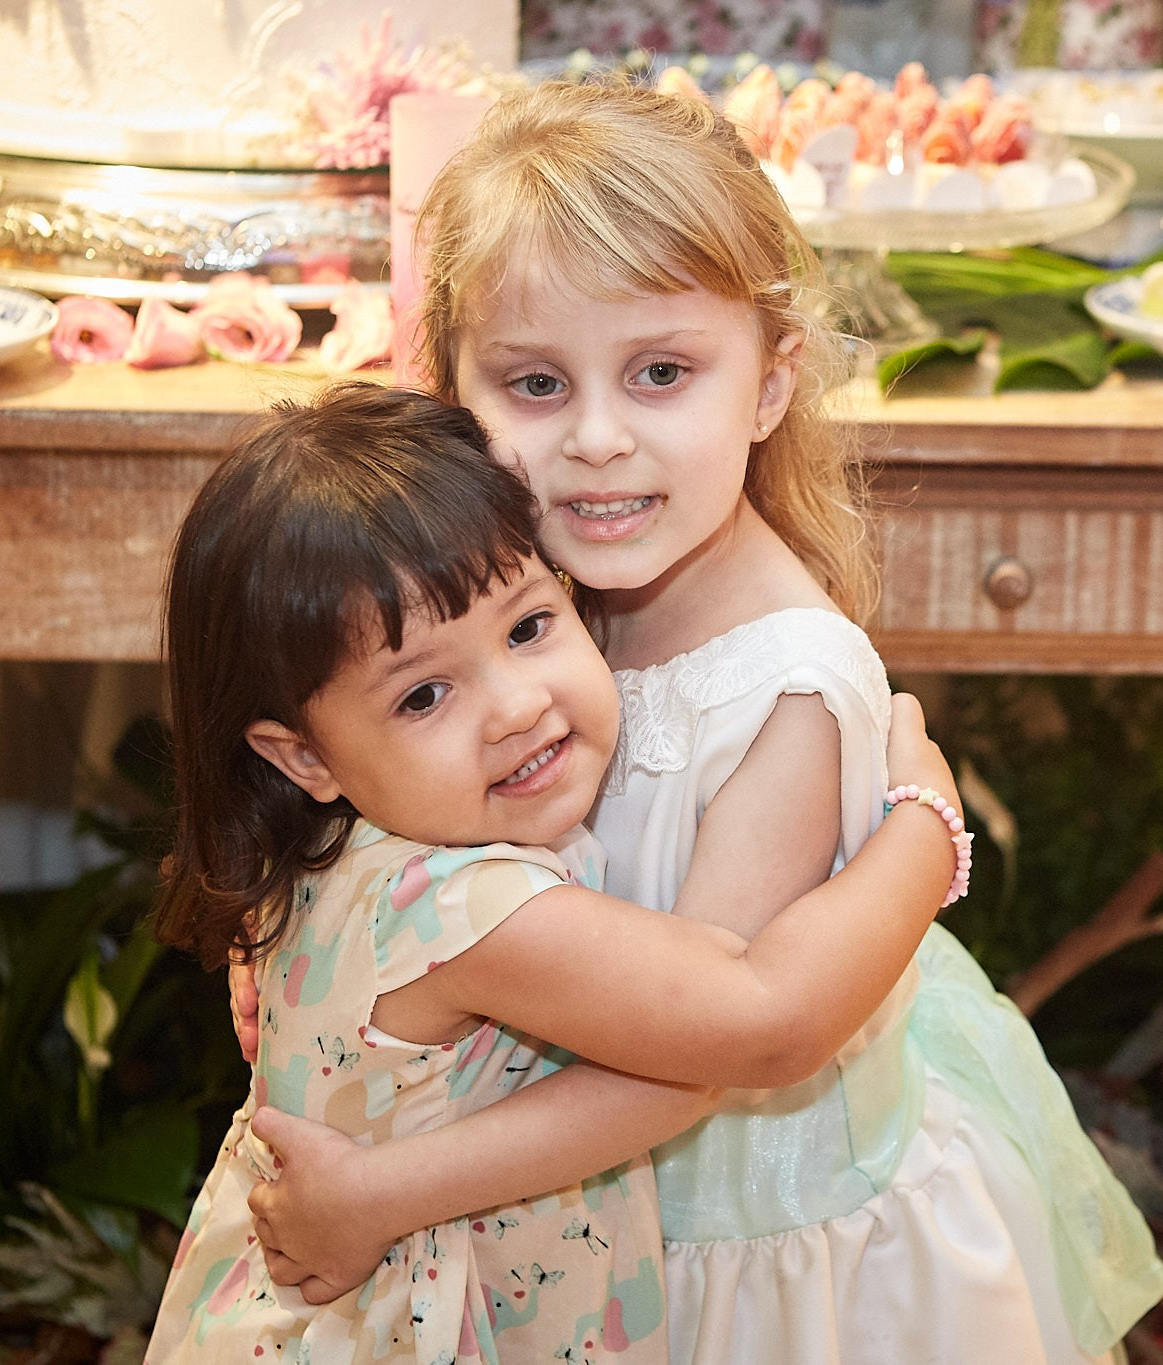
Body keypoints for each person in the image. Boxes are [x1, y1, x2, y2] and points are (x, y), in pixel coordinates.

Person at [235, 81, 1163, 1364]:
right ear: (445, 386)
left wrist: (923, 828)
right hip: (559, 1219)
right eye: (535, 384)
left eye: (662, 372)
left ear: (771, 381)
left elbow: (713, 1049)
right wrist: (295, 966)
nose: (599, 441)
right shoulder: (518, 605)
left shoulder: (785, 689)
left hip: (737, 1255)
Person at [145, 385, 970, 1363]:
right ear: (303, 758)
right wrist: (925, 826)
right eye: (422, 695)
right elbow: (760, 1022)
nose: (513, 706)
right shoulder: (472, 909)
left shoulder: (326, 851)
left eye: (528, 627)